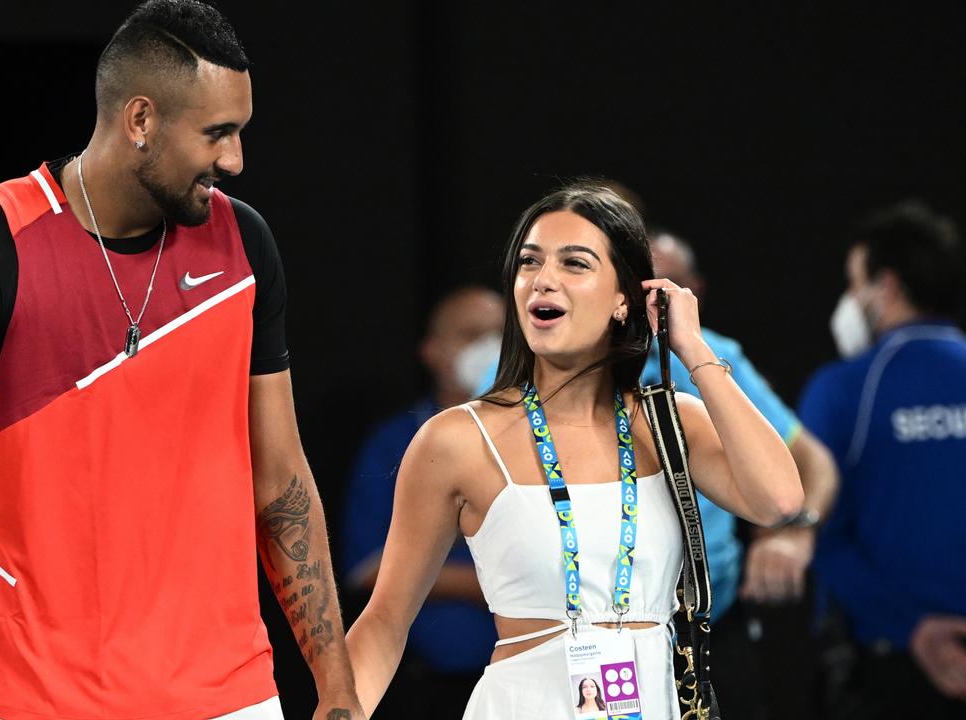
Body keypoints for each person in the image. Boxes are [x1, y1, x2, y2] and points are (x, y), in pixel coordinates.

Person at [0, 3, 363, 720]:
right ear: (140, 120)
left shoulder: (245, 246)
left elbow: (283, 481)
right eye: (216, 134)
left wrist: (337, 686)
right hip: (28, 698)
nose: (234, 161)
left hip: (227, 697)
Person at [345, 183, 803, 718]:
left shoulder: (671, 421)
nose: (543, 279)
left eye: (575, 264)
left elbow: (778, 499)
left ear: (624, 297)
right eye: (529, 262)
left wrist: (692, 349)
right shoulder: (457, 439)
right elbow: (384, 621)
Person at [643, 230, 839, 714]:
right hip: (591, 631)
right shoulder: (531, 370)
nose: (651, 293)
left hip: (709, 624)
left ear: (692, 294)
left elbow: (808, 467)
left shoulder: (709, 355)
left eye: (665, 285)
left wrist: (797, 532)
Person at [799, 200, 966, 716]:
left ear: (886, 286)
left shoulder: (847, 387)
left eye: (855, 284)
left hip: (889, 666)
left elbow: (815, 527)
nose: (851, 301)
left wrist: (909, 627)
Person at [342, 286, 502, 718]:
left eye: (502, 334)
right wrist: (501, 586)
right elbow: (367, 571)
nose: (491, 347)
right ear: (432, 351)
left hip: (518, 682)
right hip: (420, 686)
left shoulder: (539, 441)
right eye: (472, 335)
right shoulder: (396, 443)